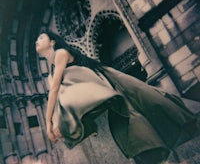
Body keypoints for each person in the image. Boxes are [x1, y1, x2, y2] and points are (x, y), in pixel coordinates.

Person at [35, 30, 199, 164]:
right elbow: (56, 94)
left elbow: (55, 89)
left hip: (104, 85)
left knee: (139, 107)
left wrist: (48, 123)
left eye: (41, 37)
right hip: (93, 95)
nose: (37, 41)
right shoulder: (51, 70)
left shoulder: (61, 53)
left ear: (53, 42)